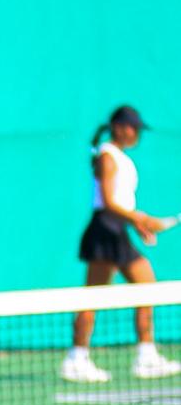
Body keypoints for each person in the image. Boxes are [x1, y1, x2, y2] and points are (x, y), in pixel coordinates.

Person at [61, 104, 179, 383]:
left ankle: (146, 355)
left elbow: (121, 205)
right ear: (118, 127)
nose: (136, 133)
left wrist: (138, 225)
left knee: (147, 286)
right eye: (132, 127)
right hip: (104, 231)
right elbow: (110, 203)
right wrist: (144, 218)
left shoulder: (122, 159)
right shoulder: (107, 157)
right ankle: (76, 357)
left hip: (118, 230)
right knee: (93, 296)